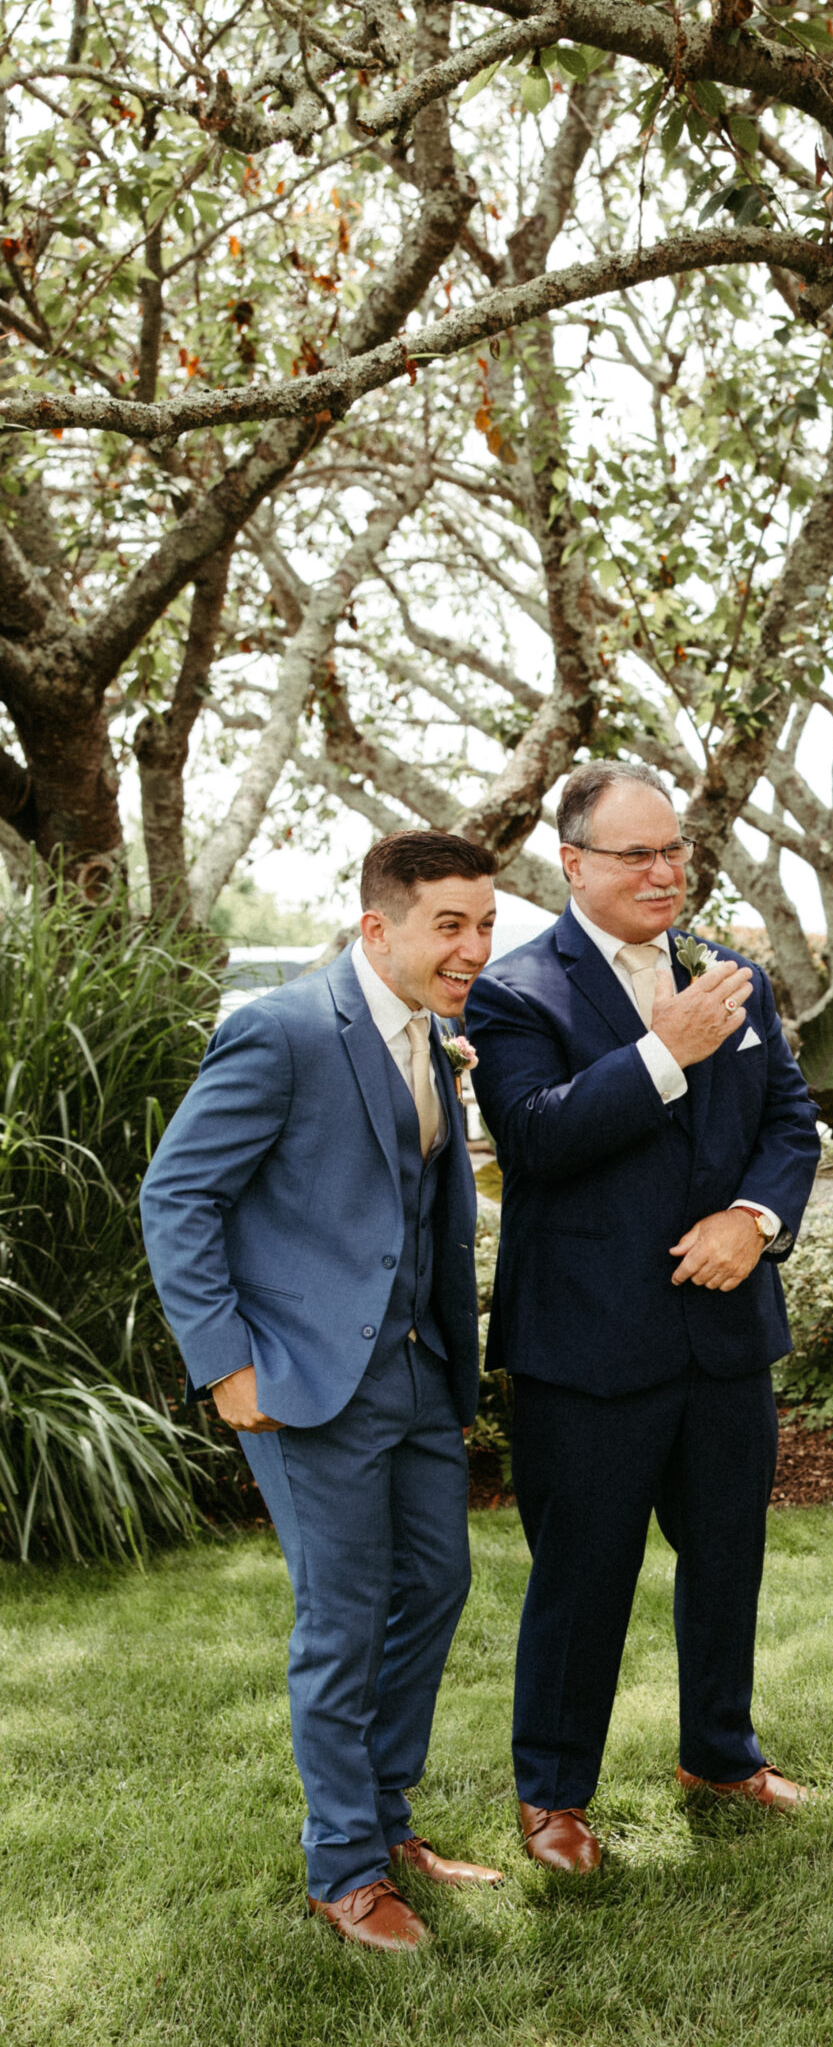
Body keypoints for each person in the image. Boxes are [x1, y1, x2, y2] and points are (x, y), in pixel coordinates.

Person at [142, 831, 502, 1952]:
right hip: (304, 1382)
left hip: (416, 1369)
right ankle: (342, 1870)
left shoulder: (438, 1038)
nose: (474, 947)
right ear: (377, 927)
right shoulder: (282, 1029)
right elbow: (177, 1196)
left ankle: (386, 1824)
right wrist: (226, 1362)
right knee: (342, 1623)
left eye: (486, 924)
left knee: (435, 1589)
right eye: (451, 924)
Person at [463, 761, 822, 1877]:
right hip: (586, 1344)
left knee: (727, 1555)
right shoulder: (516, 990)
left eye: (675, 849)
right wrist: (665, 1052)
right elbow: (534, 1139)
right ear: (573, 863)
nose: (666, 871)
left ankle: (720, 1751)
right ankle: (554, 1796)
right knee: (585, 1574)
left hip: (724, 1337)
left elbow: (792, 1123)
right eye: (638, 854)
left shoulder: (736, 980)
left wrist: (754, 1221)